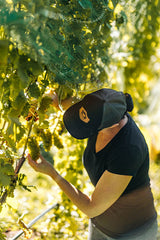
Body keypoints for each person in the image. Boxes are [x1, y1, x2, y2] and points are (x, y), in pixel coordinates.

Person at [28, 88, 158, 240]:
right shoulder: (101, 111)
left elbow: (91, 208)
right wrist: (51, 101)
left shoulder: (128, 150)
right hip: (100, 223)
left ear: (112, 125)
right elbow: (78, 108)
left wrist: (54, 174)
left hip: (132, 233)